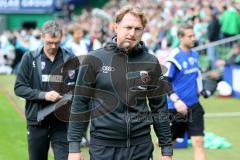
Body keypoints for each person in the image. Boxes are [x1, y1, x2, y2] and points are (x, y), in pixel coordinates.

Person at [68, 5, 173, 160]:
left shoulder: (150, 62)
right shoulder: (94, 59)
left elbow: (160, 108)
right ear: (116, 27)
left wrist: (166, 150)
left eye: (138, 29)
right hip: (104, 148)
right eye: (128, 27)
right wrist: (74, 147)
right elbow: (80, 103)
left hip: (141, 147)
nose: (132, 33)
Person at [14, 20, 77, 160]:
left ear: (62, 38)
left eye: (57, 42)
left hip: (62, 123)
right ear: (42, 36)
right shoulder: (29, 58)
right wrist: (43, 95)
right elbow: (19, 88)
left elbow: (77, 88)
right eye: (49, 42)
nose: (53, 46)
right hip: (37, 122)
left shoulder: (70, 59)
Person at [164, 24, 206, 160]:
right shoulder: (174, 56)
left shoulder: (195, 54)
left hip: (194, 105)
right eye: (190, 36)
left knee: (199, 142)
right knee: (168, 145)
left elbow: (196, 75)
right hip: (175, 108)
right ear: (180, 37)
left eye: (194, 35)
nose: (194, 38)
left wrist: (201, 90)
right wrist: (176, 100)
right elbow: (165, 80)